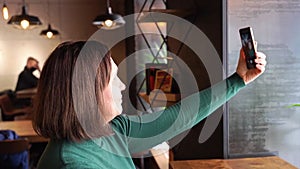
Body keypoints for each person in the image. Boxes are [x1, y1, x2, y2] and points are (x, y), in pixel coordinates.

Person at [32, 41, 266, 169]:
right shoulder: (74, 164)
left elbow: (177, 117)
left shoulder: (111, 130)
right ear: (86, 92)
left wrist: (238, 80)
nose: (123, 85)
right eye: (113, 79)